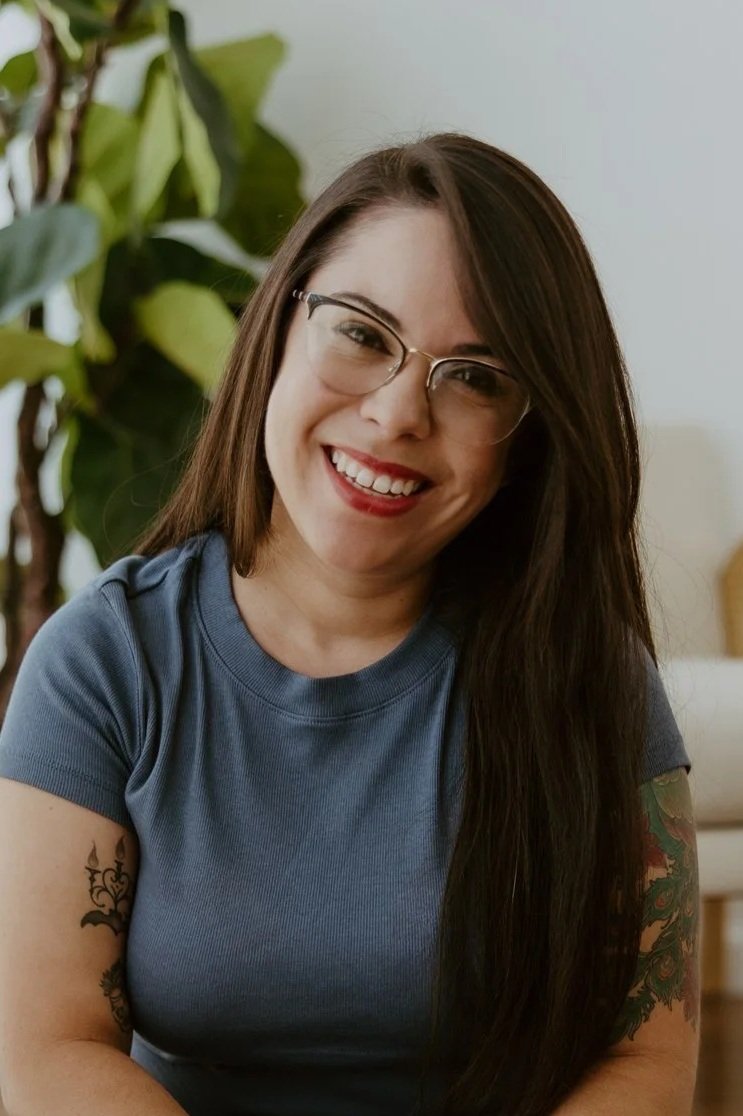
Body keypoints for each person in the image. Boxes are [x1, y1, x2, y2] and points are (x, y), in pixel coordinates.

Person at [0, 133, 699, 1116]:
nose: (396, 413)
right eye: (363, 334)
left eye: (475, 377)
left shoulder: (587, 676)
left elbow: (647, 1061)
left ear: (524, 441)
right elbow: (47, 1052)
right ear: (279, 326)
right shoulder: (104, 663)